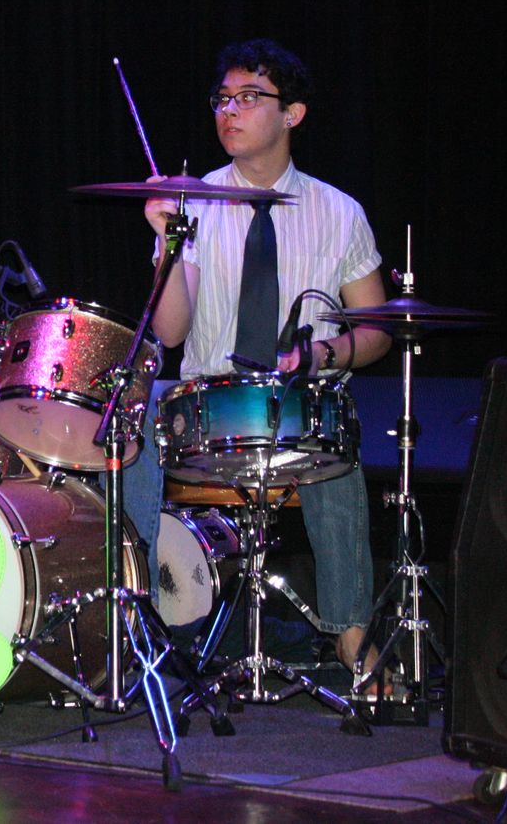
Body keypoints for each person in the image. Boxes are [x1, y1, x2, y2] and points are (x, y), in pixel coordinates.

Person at [124, 38, 391, 672]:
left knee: (335, 434)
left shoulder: (340, 212)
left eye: (248, 98)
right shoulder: (192, 202)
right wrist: (168, 243)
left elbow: (377, 332)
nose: (229, 111)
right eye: (222, 99)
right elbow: (170, 332)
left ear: (292, 113)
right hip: (205, 408)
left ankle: (352, 637)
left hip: (297, 405)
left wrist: (324, 352)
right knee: (128, 422)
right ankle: (135, 621)